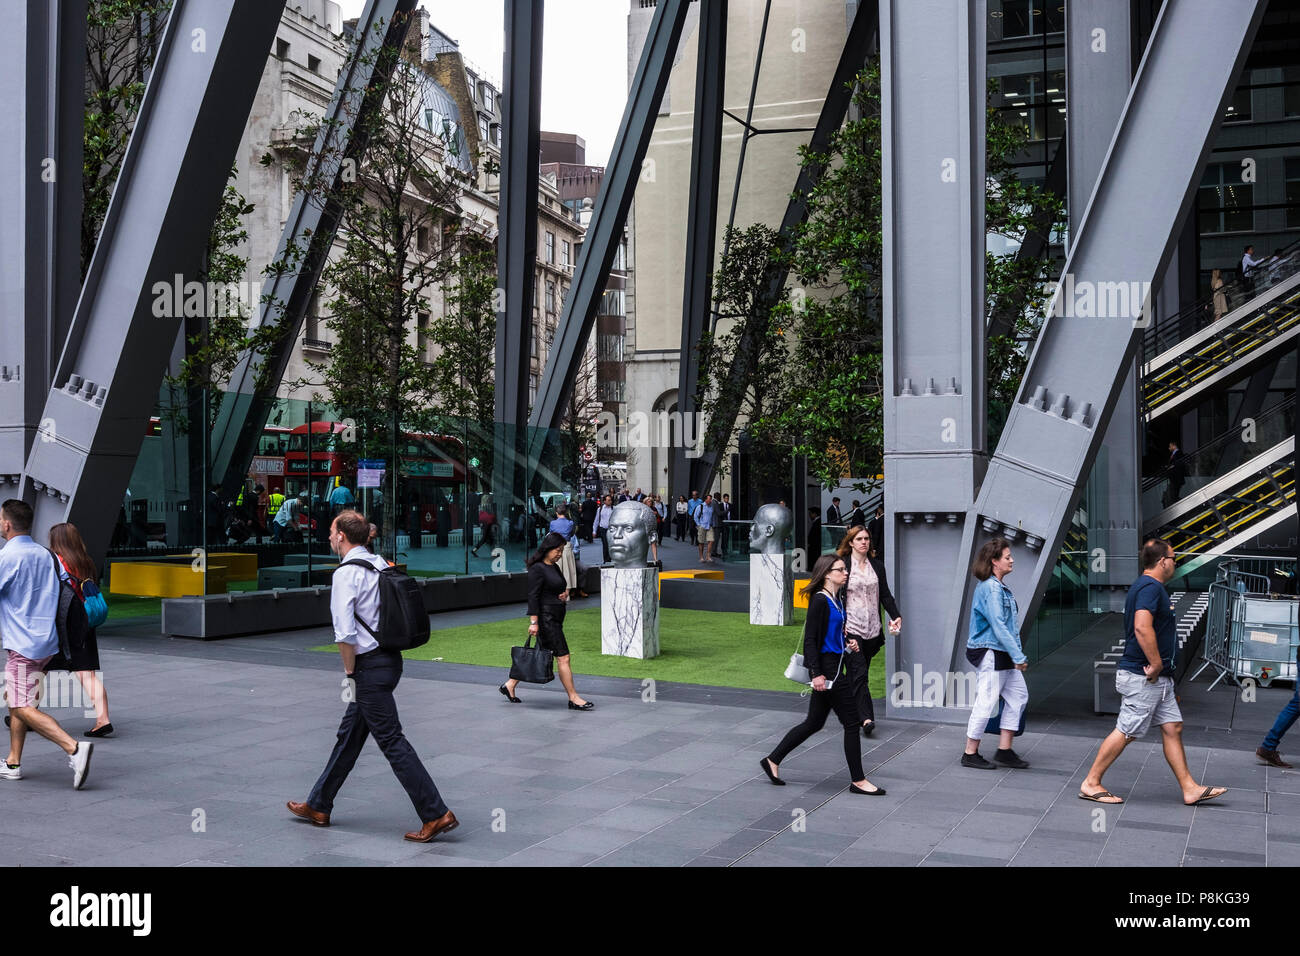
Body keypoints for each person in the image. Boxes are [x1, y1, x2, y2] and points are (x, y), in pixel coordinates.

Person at [288, 510, 457, 842]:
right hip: (390, 660)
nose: (328, 537)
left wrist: (350, 671)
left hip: (368, 667)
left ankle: (435, 813)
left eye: (332, 531)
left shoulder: (345, 574)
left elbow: (344, 633)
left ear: (341, 536)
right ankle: (319, 804)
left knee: (392, 741)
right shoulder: (379, 562)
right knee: (348, 736)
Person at [1078, 538, 1228, 806]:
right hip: (1144, 676)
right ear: (1162, 562)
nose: (1175, 563)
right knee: (1128, 730)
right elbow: (1142, 627)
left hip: (1158, 680)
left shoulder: (1147, 586)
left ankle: (1189, 788)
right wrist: (1157, 663)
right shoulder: (1150, 588)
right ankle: (1091, 782)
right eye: (1173, 558)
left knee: (1173, 727)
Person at [760, 554, 884, 795]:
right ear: (827, 574)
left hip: (835, 665)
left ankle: (772, 760)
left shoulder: (835, 599)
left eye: (845, 569)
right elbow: (811, 640)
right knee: (851, 723)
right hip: (829, 672)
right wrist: (816, 673)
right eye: (840, 570)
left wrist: (849, 644)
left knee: (814, 722)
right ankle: (858, 781)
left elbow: (832, 636)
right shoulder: (819, 601)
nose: (845, 573)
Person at [0, 500, 95, 788]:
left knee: (22, 706)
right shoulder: (46, 555)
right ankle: (13, 762)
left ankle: (75, 749)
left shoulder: (8, 557)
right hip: (47, 645)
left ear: (6, 524)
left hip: (22, 646)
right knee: (20, 705)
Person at [500, 531, 593, 710]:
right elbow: (533, 596)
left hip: (555, 617)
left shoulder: (553, 566)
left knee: (538, 651)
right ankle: (573, 698)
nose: (560, 554)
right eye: (557, 550)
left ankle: (510, 685)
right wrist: (534, 622)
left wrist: (563, 593)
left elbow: (555, 587)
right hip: (546, 619)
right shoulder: (537, 569)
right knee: (563, 657)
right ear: (547, 548)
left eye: (561, 550)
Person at [961, 538, 1031, 769]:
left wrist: (1014, 655)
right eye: (1007, 557)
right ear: (994, 561)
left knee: (1018, 696)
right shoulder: (991, 588)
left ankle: (1004, 750)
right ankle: (970, 753)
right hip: (992, 651)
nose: (1012, 560)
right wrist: (1018, 656)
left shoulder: (998, 587)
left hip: (1003, 652)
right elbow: (999, 625)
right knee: (987, 700)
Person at [46, 523, 113, 737]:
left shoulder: (56, 561)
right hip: (86, 619)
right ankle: (103, 719)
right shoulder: (86, 561)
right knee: (86, 672)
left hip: (65, 621)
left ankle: (25, 712)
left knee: (41, 664)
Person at [837, 524, 902, 737]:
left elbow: (885, 594)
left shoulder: (877, 566)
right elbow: (836, 596)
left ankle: (841, 701)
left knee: (857, 673)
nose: (864, 542)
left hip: (873, 629)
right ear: (851, 542)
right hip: (851, 628)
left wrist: (896, 614)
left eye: (866, 539)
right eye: (859, 539)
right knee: (860, 673)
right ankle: (866, 719)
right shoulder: (843, 566)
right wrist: (840, 624)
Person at [548, 504, 580, 596]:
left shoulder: (553, 523)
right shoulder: (570, 523)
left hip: (556, 547)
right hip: (566, 547)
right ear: (565, 512)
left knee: (557, 571)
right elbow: (572, 534)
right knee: (568, 571)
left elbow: (551, 534)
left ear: (556, 513)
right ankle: (567, 594)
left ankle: (558, 593)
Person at [471, 493, 496, 557]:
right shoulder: (487, 506)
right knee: (485, 539)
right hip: (487, 523)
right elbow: (491, 515)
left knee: (489, 539)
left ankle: (474, 550)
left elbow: (481, 516)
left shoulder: (481, 506)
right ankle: (474, 550)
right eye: (488, 499)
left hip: (485, 523)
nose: (490, 500)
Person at [695, 492, 716, 564]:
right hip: (702, 526)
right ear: (706, 500)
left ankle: (708, 556)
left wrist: (712, 524)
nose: (711, 500)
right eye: (710, 499)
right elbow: (695, 516)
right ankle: (701, 557)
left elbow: (712, 516)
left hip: (709, 526)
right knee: (701, 542)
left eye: (711, 499)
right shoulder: (700, 506)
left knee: (711, 540)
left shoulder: (711, 507)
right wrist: (699, 525)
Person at [1164, 441, 1186, 507]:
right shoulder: (1174, 454)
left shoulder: (1179, 453)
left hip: (1177, 478)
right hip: (1174, 478)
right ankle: (1177, 506)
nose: (1169, 448)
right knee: (1173, 495)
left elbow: (1177, 464)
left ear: (1174, 446)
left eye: (1170, 446)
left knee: (1174, 495)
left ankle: (1180, 506)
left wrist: (1170, 467)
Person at [594, 494, 613, 563]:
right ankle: (606, 560)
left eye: (610, 500)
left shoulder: (614, 508)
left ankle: (610, 558)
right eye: (608, 500)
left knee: (611, 544)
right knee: (605, 544)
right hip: (603, 529)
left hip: (611, 530)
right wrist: (594, 531)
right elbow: (596, 520)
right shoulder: (600, 509)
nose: (610, 502)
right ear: (604, 501)